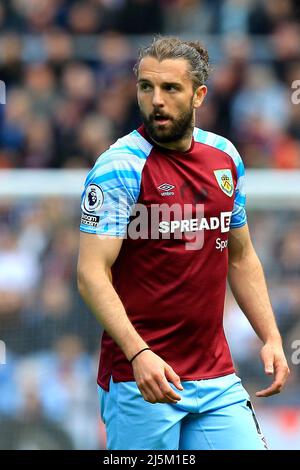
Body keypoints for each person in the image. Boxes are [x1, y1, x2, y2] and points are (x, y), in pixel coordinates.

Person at [77, 36, 290, 450]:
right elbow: (90, 274)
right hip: (143, 379)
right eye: (146, 87)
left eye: (170, 89)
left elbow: (241, 257)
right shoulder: (119, 167)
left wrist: (272, 337)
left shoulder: (225, 158)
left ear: (198, 95)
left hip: (216, 378)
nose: (156, 100)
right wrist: (139, 355)